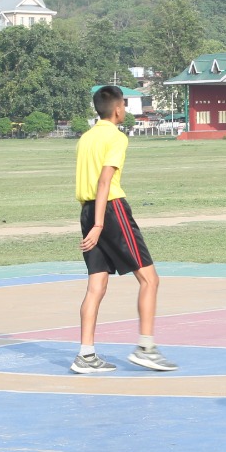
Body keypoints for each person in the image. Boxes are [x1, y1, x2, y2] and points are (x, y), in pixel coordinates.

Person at [71, 85, 176, 374]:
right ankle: (146, 348)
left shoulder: (85, 138)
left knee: (96, 286)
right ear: (118, 109)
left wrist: (93, 222)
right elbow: (104, 181)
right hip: (110, 211)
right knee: (150, 280)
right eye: (124, 106)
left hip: (87, 210)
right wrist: (100, 224)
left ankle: (85, 354)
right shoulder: (117, 137)